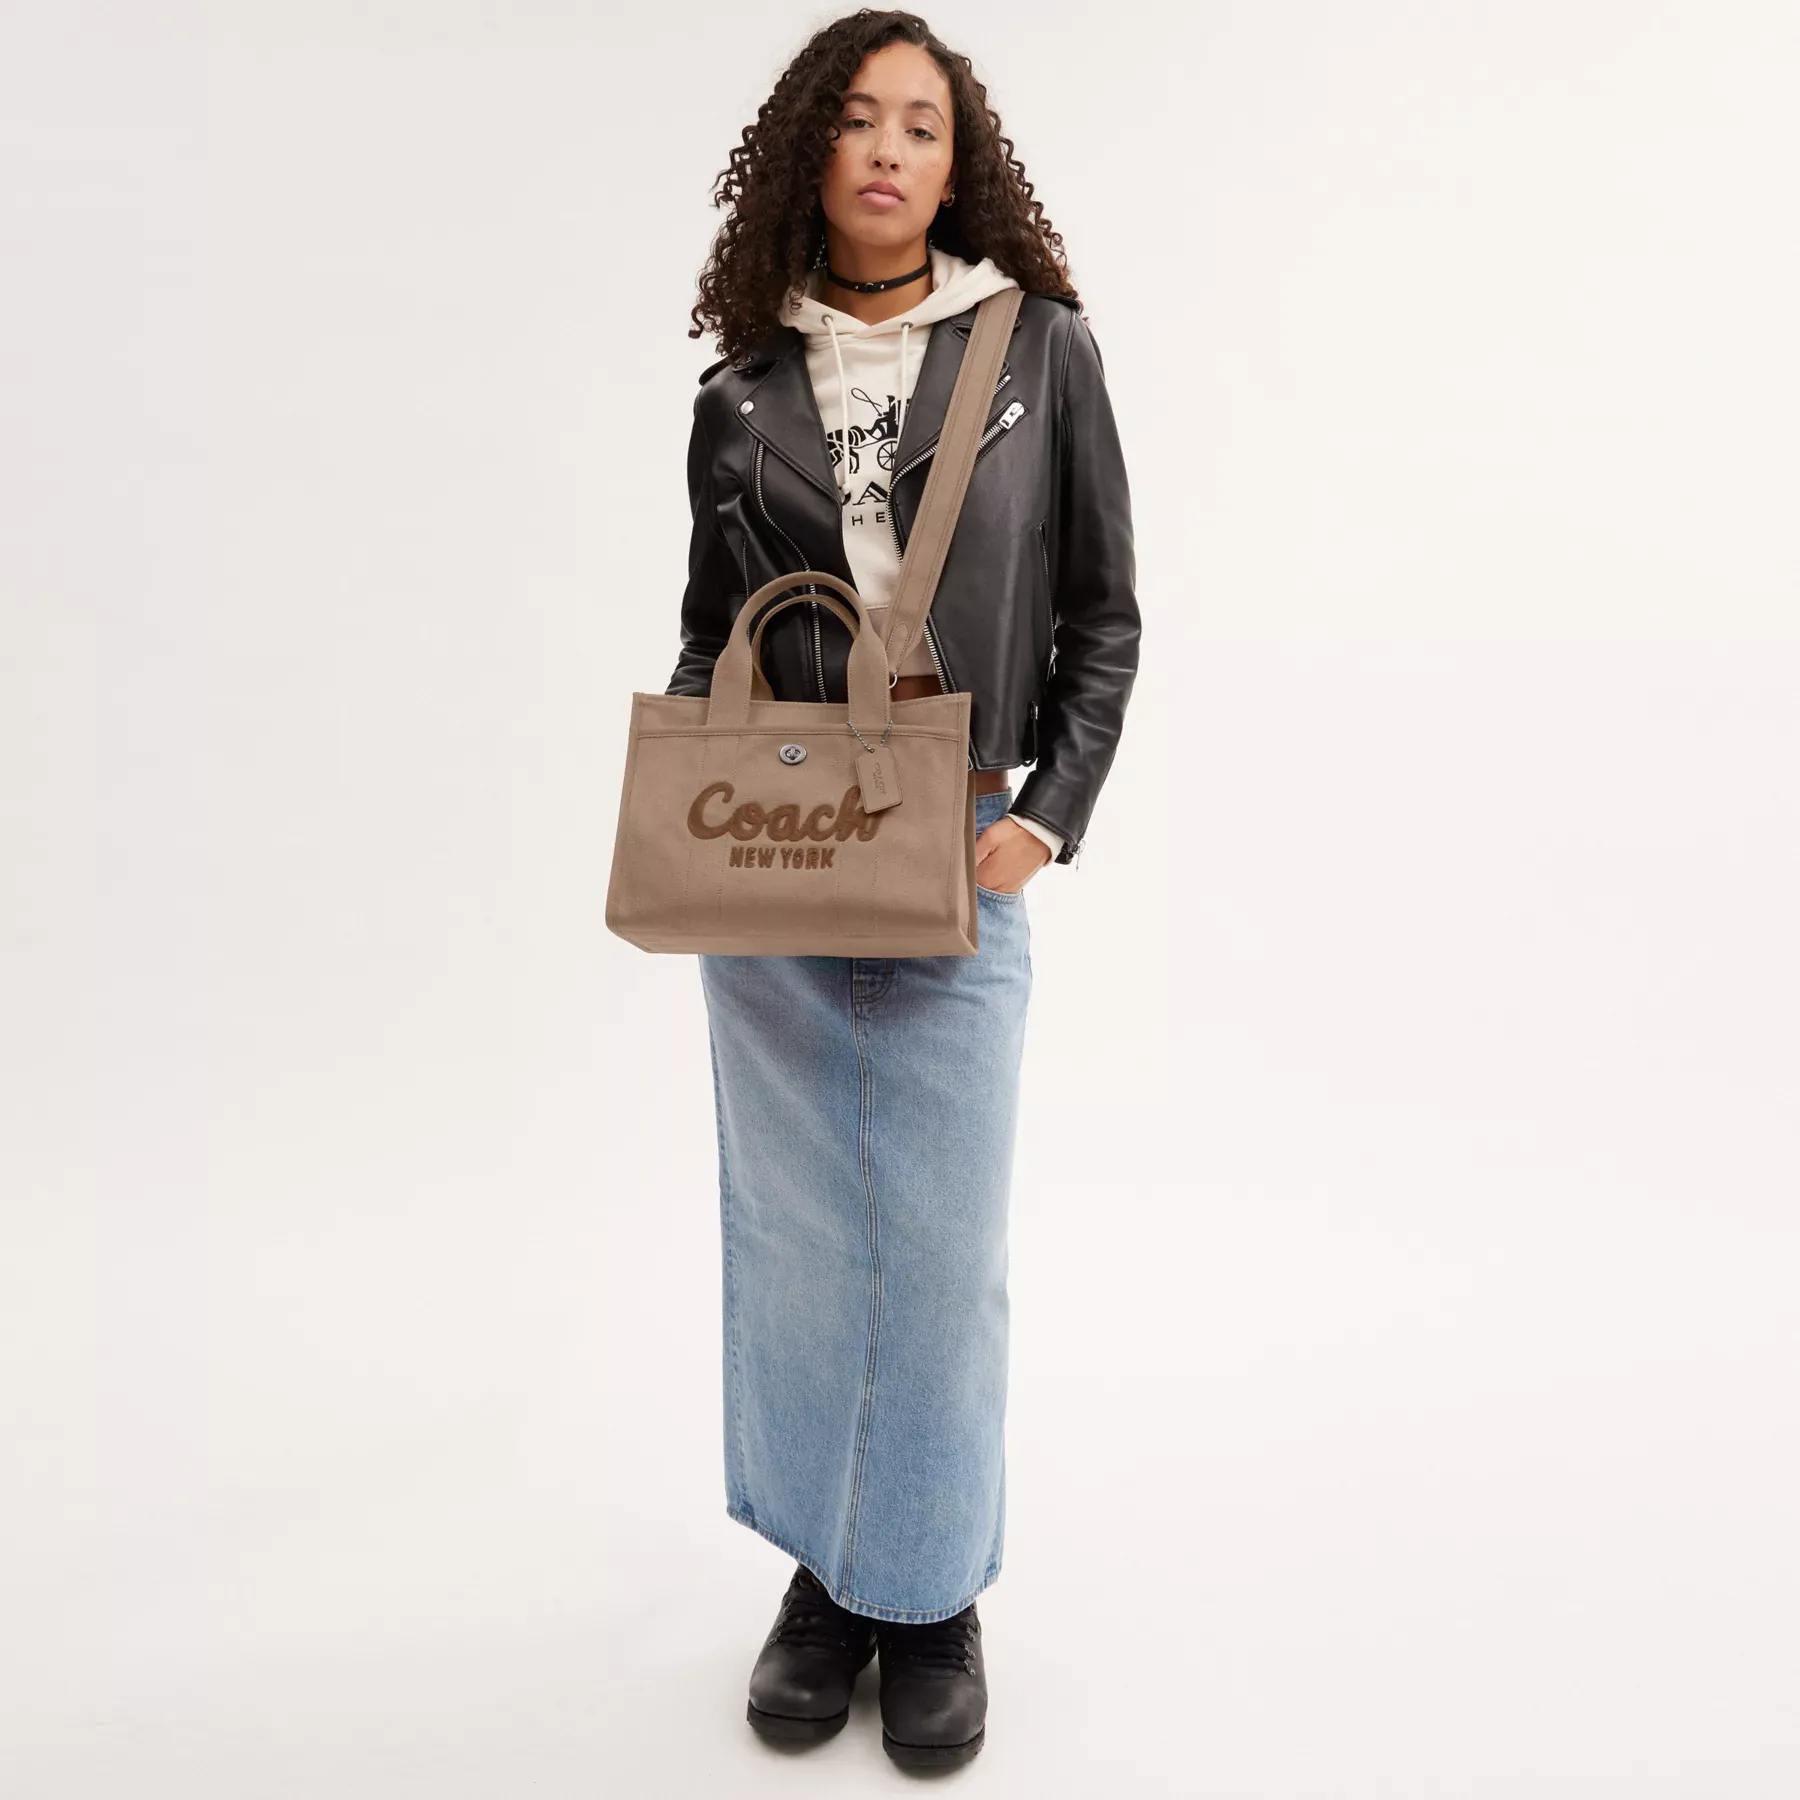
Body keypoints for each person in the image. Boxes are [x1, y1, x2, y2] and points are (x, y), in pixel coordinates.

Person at [664, 11, 1139, 1769]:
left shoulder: (1039, 351)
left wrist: (1050, 817)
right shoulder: (739, 393)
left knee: (938, 1259)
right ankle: (824, 1578)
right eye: (857, 119)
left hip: (963, 847)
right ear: (810, 154)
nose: (886, 149)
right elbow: (711, 639)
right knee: (796, 1245)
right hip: (778, 864)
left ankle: (929, 1599)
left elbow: (1105, 614)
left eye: (920, 126)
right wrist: (695, 822)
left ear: (958, 165)